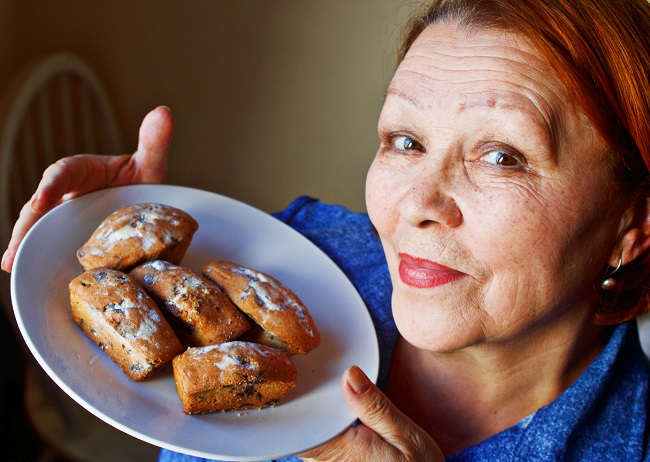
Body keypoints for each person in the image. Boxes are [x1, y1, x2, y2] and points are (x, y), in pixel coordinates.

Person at [4, 0, 650, 460]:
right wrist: (116, 246)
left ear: (635, 224)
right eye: (405, 140)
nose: (416, 204)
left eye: (502, 157)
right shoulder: (293, 252)